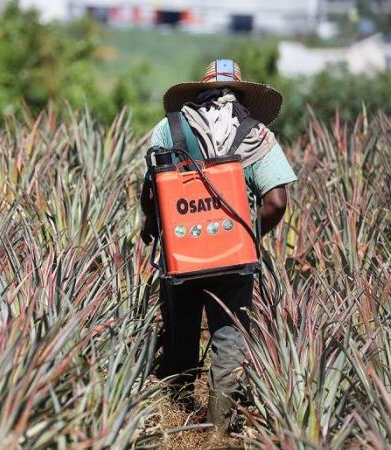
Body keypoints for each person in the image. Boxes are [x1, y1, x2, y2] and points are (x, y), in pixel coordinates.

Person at [140, 59, 297, 434]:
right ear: (241, 94)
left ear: (198, 91)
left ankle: (174, 421)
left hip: (182, 252)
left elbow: (151, 189)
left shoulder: (170, 127)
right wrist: (249, 237)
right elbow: (277, 201)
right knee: (228, 336)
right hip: (233, 256)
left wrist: (150, 225)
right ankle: (218, 430)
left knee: (181, 332)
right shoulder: (255, 133)